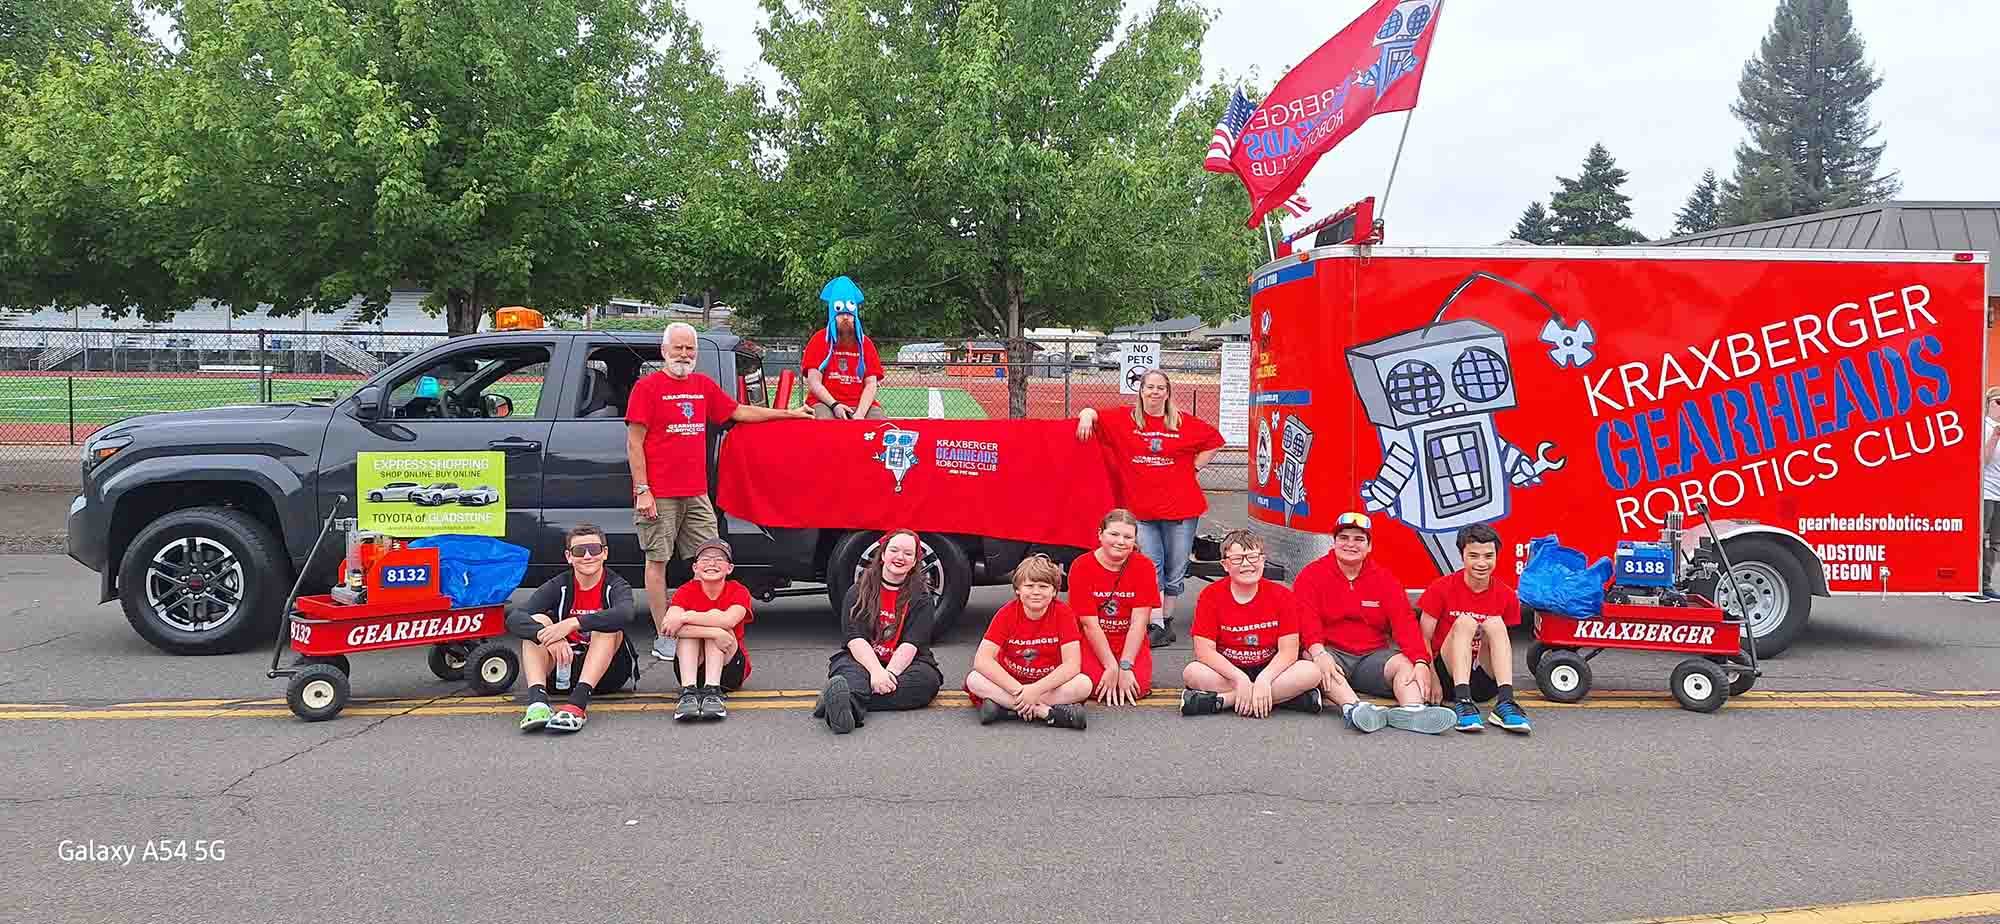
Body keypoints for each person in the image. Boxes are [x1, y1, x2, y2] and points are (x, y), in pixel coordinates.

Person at [628, 322, 809, 663]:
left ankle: (712, 627)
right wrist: (643, 490)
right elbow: (634, 442)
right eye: (677, 348)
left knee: (710, 560)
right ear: (664, 351)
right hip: (659, 493)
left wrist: (788, 414)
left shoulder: (702, 387)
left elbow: (739, 411)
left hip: (696, 493)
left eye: (689, 349)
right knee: (657, 561)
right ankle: (664, 633)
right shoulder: (647, 388)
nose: (684, 354)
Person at [1074, 368, 1224, 648]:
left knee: (1175, 567)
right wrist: (1084, 415)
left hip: (1181, 509)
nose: (1154, 392)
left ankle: (1166, 621)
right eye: (1149, 387)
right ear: (1140, 391)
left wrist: (1194, 466)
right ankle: (1154, 623)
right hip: (1141, 510)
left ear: (1167, 393)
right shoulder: (1124, 420)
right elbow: (1092, 413)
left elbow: (1214, 440)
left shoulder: (1182, 423)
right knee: (1151, 565)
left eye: (1160, 388)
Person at [1293, 512, 1456, 735]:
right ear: (1334, 542)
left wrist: (1420, 661)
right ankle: (1354, 708)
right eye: (1344, 538)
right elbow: (1306, 619)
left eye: (1359, 539)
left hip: (1371, 657)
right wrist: (1319, 653)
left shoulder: (1385, 579)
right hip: (1331, 652)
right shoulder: (1311, 575)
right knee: (1311, 659)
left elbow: (1405, 624)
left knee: (1405, 664)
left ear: (1369, 546)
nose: (1350, 544)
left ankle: (1413, 711)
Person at [1180, 529, 1323, 717]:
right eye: (1238, 559)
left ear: (1263, 560)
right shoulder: (1210, 596)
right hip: (1229, 670)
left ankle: (1222, 701)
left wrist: (1264, 679)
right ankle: (1288, 699)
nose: (1247, 564)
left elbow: (1288, 651)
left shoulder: (1282, 596)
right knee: (1192, 672)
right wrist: (1239, 678)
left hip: (1271, 669)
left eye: (1253, 557)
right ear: (1224, 564)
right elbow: (1204, 651)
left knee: (1311, 671)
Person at [815, 529, 945, 734]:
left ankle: (845, 701)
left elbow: (911, 644)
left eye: (908, 553)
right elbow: (855, 639)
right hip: (861, 659)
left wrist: (889, 674)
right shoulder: (857, 591)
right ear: (883, 555)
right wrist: (876, 672)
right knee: (850, 674)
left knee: (926, 684)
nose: (900, 557)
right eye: (894, 550)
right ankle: (846, 704)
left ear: (914, 562)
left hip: (907, 663)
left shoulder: (922, 598)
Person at [508, 524, 634, 734]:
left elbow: (625, 613)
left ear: (605, 553)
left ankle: (577, 705)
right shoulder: (560, 584)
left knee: (608, 626)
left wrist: (572, 623)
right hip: (561, 671)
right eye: (579, 551)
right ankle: (537, 703)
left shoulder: (616, 584)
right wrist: (548, 636)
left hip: (605, 676)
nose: (587, 556)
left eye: (594, 549)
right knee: (538, 621)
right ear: (569, 556)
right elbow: (515, 618)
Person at [1415, 523, 1532, 734]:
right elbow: (1422, 638)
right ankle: (1463, 701)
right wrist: (1430, 676)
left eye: (1488, 556)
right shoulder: (1441, 588)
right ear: (1462, 556)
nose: (1481, 563)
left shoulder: (1506, 595)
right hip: (1447, 678)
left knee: (1495, 623)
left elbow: (1502, 644)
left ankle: (1505, 702)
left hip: (1484, 681)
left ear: (1496, 557)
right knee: (1465, 622)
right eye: (1474, 556)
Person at [963, 555, 1090, 730]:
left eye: (1044, 586)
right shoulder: (1006, 614)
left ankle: (1006, 709)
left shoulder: (1064, 614)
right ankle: (1046, 713)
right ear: (1018, 590)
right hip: (1011, 682)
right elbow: (982, 660)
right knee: (974, 679)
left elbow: (1072, 665)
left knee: (1084, 684)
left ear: (1054, 591)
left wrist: (1035, 690)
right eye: (1029, 586)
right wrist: (1021, 691)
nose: (1036, 592)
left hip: (1048, 684)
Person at [1069, 509, 1161, 706]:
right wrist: (1111, 665)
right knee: (1092, 685)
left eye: (1128, 537)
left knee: (1139, 687)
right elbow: (1089, 624)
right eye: (1114, 534)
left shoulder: (1144, 567)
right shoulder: (1081, 566)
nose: (1121, 541)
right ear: (1100, 534)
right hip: (1094, 639)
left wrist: (1125, 666)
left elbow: (1139, 622)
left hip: (1128, 639)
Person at [663, 538, 755, 721]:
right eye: (705, 559)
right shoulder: (686, 590)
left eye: (719, 559)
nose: (712, 563)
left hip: (729, 668)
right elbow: (668, 626)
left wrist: (685, 617)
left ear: (729, 568)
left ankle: (713, 691)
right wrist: (715, 632)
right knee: (708, 633)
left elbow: (728, 620)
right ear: (695, 568)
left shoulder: (738, 590)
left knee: (719, 627)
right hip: (692, 667)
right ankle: (688, 691)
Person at [801, 277, 886, 420]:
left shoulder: (865, 343)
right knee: (825, 422)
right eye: (840, 314)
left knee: (878, 423)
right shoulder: (819, 339)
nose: (846, 318)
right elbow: (814, 382)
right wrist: (835, 405)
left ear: (855, 316)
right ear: (833, 315)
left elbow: (871, 384)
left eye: (849, 314)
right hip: (825, 402)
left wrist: (860, 414)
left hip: (859, 403)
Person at [1981, 386, 2000, 601]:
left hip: (1999, 493)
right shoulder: (1983, 427)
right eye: (1998, 402)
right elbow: (1981, 462)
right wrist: (1995, 436)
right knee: (1981, 539)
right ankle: (1974, 584)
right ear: (1988, 404)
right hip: (1985, 491)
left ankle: (1986, 584)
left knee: (1995, 542)